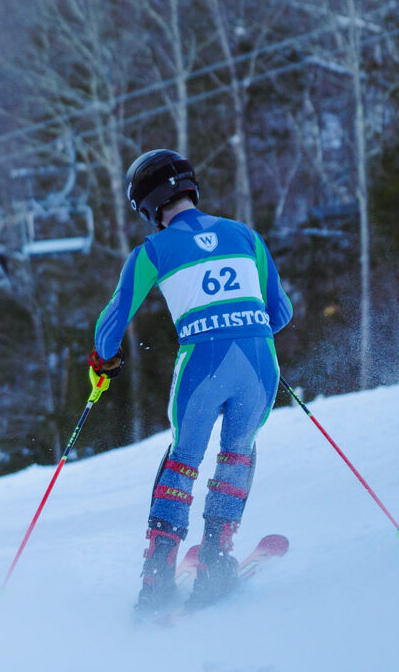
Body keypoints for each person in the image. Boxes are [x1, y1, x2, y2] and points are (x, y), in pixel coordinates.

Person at [86, 149, 293, 615]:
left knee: (183, 461)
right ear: (191, 188)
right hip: (261, 363)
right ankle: (216, 558)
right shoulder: (246, 235)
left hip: (203, 363)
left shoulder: (152, 251)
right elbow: (280, 313)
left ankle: (157, 575)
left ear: (146, 203)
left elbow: (112, 321)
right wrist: (247, 327)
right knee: (238, 451)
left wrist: (103, 362)